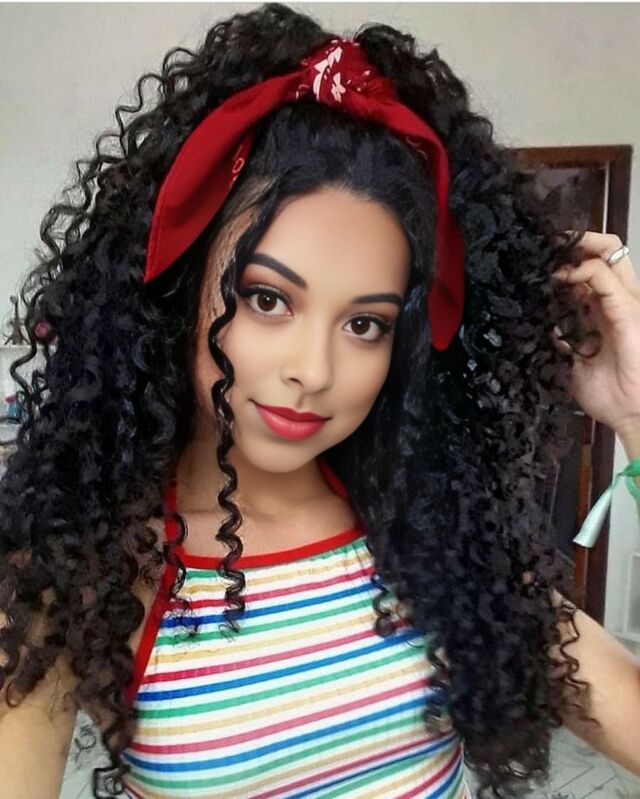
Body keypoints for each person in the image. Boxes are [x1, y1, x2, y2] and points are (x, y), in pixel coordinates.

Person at [0, 3, 639, 798]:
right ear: (182, 289)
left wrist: (635, 416)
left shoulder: (431, 529)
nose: (314, 369)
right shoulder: (82, 559)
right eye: (268, 299)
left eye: (365, 323)